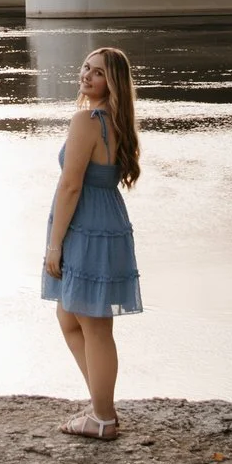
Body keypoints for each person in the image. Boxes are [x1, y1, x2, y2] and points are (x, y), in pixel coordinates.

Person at [41, 45, 142, 439]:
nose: (86, 75)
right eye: (86, 67)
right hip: (107, 219)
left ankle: (102, 418)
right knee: (70, 317)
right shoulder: (118, 121)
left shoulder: (87, 120)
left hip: (87, 227)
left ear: (112, 82)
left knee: (95, 325)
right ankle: (103, 405)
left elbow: (70, 185)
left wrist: (55, 245)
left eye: (98, 72)